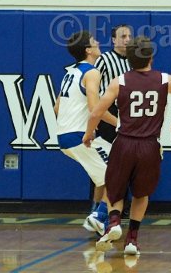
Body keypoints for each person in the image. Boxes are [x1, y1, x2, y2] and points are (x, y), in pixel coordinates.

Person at [85, 35, 171, 256]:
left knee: (115, 190)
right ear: (151, 57)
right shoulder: (165, 80)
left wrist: (88, 134)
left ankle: (114, 222)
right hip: (150, 145)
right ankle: (132, 239)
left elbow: (96, 113)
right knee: (141, 194)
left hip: (124, 143)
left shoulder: (119, 81)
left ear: (128, 59)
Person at [54, 31, 116, 237]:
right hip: (79, 136)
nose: (97, 42)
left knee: (106, 174)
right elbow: (95, 108)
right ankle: (99, 216)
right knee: (119, 174)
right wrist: (121, 124)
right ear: (88, 50)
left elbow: (57, 108)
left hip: (64, 136)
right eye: (93, 41)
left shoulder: (71, 72)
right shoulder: (92, 72)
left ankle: (96, 215)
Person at [93, 24, 133, 217]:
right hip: (108, 114)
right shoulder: (104, 60)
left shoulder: (134, 61)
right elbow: (93, 90)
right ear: (114, 40)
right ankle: (96, 209)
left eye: (129, 36)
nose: (127, 39)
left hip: (128, 114)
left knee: (126, 163)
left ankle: (119, 207)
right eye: (123, 36)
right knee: (105, 166)